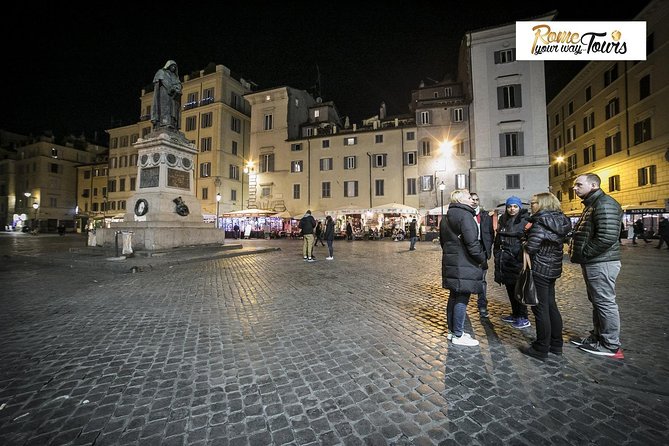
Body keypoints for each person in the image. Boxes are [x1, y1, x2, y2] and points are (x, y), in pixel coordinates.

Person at [569, 173, 624, 358]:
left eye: (578, 185)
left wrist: (585, 253)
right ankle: (598, 337)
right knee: (598, 302)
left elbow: (607, 237)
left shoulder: (604, 204)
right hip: (596, 261)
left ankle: (610, 345)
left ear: (593, 185)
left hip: (601, 262)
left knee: (605, 302)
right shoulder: (593, 204)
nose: (574, 188)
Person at [518, 193, 572, 361]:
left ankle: (541, 347)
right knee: (551, 306)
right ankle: (556, 344)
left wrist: (524, 242)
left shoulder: (540, 222)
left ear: (542, 204)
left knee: (540, 308)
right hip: (553, 268)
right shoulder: (560, 220)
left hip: (540, 268)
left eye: (533, 203)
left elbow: (532, 247)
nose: (531, 205)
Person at [440, 189, 486, 347]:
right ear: (460, 200)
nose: (472, 200)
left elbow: (443, 241)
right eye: (468, 197)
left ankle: (453, 331)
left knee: (453, 297)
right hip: (465, 262)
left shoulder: (446, 217)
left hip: (452, 260)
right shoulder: (465, 216)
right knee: (461, 298)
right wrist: (482, 259)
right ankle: (458, 334)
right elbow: (472, 244)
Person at [494, 196, 531, 329]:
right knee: (510, 289)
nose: (512, 209)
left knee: (519, 290)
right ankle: (515, 314)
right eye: (510, 206)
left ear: (519, 207)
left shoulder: (525, 220)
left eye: (515, 206)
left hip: (517, 260)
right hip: (505, 260)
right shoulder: (503, 219)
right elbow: (498, 238)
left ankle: (523, 316)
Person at [470, 192, 495, 318]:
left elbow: (490, 233)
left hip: (482, 249)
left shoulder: (485, 216)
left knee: (482, 279)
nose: (474, 201)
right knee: (468, 278)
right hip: (468, 250)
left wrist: (488, 249)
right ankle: (463, 305)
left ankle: (482, 305)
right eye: (472, 199)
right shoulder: (466, 215)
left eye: (476, 199)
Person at [151, 60, 182, 131]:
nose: (173, 68)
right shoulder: (161, 72)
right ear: (168, 66)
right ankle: (164, 123)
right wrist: (171, 88)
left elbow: (179, 84)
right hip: (164, 93)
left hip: (174, 96)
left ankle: (173, 124)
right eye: (172, 66)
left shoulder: (175, 76)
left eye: (175, 66)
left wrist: (177, 89)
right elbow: (163, 81)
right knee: (165, 107)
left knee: (173, 110)